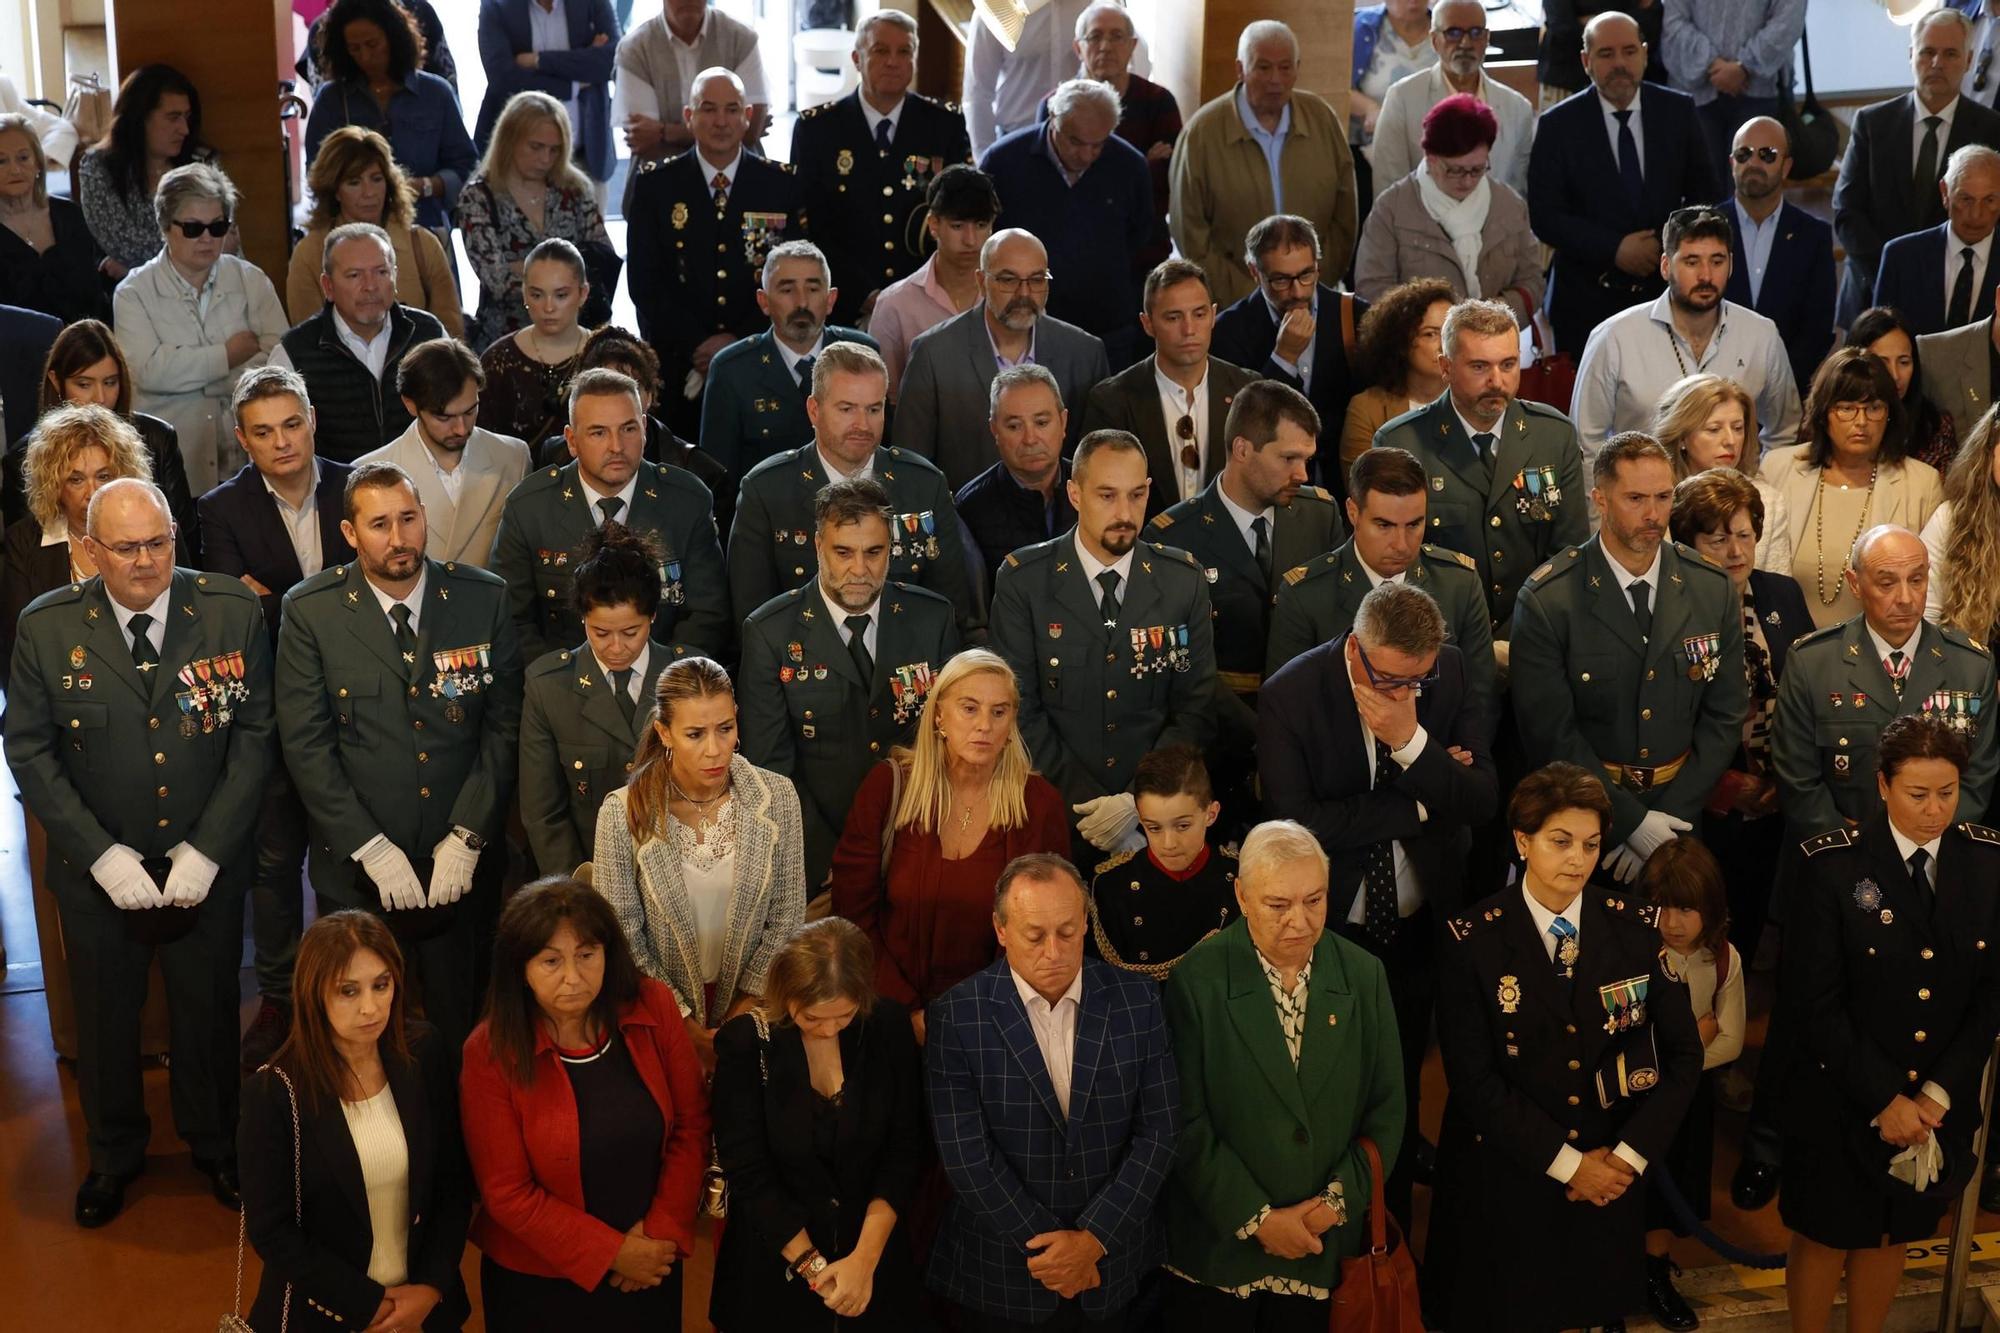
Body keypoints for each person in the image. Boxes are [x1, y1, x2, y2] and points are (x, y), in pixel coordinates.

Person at [5, 477, 271, 1226]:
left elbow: (254, 736)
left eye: (159, 542)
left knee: (209, 1007)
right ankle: (114, 1155)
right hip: (98, 872)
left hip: (205, 862)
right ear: (91, 551)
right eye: (126, 548)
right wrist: (99, 854)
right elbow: (28, 747)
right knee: (105, 1016)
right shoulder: (47, 626)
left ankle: (216, 1144)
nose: (147, 561)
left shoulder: (228, 609)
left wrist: (209, 848)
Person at [1425, 763, 1701, 1332]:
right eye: (1560, 841)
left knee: (1590, 1312)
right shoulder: (1472, 940)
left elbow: (1682, 1057)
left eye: (1592, 844)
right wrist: (1570, 1165)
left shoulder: (1634, 928)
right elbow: (1474, 1082)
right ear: (1523, 841)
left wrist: (1625, 1159)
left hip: (1607, 1176)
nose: (1578, 858)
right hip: (1508, 1175)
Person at [1259, 581, 1494, 1229]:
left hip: (1423, 916)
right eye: (1391, 679)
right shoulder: (1292, 694)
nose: (1407, 695)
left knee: (1408, 1057)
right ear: (1356, 648)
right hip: (1331, 924)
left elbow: (1479, 798)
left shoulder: (1449, 671)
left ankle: (1393, 1199)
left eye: (1419, 680)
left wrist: (1412, 742)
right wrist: (1422, 800)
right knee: (1332, 1072)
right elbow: (1297, 825)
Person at [276, 461, 523, 1051]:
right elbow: (307, 745)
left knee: (463, 1027)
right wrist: (370, 846)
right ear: (350, 533)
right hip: (358, 870)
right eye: (380, 523)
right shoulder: (311, 611)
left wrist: (467, 835)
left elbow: (504, 727)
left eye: (408, 519)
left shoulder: (480, 598)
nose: (398, 537)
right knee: (364, 1037)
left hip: (459, 865)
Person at [1780, 715, 2000, 1333]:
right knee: (1826, 1234)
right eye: (1918, 794)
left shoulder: (1985, 863)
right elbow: (1813, 1003)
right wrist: (1885, 1098)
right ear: (1882, 786)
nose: (1935, 811)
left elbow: (1989, 997)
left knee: (1893, 1232)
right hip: (1843, 1097)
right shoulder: (1834, 867)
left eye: (1948, 792)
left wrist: (1933, 1094)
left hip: (1933, 1098)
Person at [1160, 818, 1406, 1330]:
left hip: (1324, 1243)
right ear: (1243, 896)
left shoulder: (1364, 975)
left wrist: (1330, 1207)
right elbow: (1183, 1119)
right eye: (1278, 905)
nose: (1300, 921)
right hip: (1219, 1247)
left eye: (1314, 900)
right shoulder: (1197, 979)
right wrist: (1258, 1219)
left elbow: (1388, 1110)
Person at [926, 852, 1181, 1328]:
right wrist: (1054, 1252)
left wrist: (1093, 1240)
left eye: (1067, 932)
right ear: (1001, 930)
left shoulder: (1138, 1000)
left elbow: (1159, 1132)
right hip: (1001, 1275)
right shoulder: (957, 1016)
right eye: (1034, 935)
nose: (1054, 952)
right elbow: (966, 1156)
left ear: (1085, 922)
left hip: (1116, 1268)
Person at [460, 877, 709, 1331]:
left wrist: (658, 1234)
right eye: (551, 961)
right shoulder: (490, 1050)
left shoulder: (653, 1004)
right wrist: (614, 1253)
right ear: (520, 968)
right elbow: (506, 1193)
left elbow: (691, 1124)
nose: (573, 977)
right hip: (539, 1279)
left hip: (650, 1259)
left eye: (587, 956)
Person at [201, 367, 359, 1067]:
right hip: (266, 710)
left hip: (356, 705)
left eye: (291, 424)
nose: (282, 441)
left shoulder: (359, 483)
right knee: (272, 862)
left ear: (313, 419)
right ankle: (278, 998)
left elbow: (374, 590)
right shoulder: (220, 509)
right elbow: (238, 614)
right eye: (263, 431)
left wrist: (278, 598)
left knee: (348, 854)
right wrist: (326, 599)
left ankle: (349, 986)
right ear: (243, 439)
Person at [1510, 433, 1749, 882]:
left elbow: (1725, 713)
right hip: (1583, 824)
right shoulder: (1550, 599)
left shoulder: (1709, 587)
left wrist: (1667, 823)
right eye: (1635, 498)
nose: (1654, 514)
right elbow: (1552, 734)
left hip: (1682, 819)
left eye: (1663, 497)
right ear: (1600, 498)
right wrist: (1631, 824)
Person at [238, 911, 472, 1332]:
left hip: (422, 1309)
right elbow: (272, 1231)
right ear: (314, 995)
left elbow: (452, 1182)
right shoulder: (273, 1092)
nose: (371, 1007)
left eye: (381, 985)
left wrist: (431, 1287)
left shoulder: (423, 1052)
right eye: (348, 991)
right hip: (326, 1313)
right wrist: (367, 1304)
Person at [989, 428, 1220, 852]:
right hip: (1055, 817)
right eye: (1107, 495)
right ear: (1074, 494)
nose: (1125, 513)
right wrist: (1090, 806)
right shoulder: (1024, 582)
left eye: (1136, 495)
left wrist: (1137, 800)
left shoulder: (1182, 582)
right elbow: (1020, 711)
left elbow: (1196, 708)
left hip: (1157, 821)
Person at [830, 647, 1072, 1031]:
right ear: (939, 714)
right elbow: (853, 917)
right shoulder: (888, 788)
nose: (985, 726)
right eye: (969, 708)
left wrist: (979, 1012)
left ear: (1012, 722)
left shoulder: (1039, 805)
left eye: (999, 711)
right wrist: (907, 1012)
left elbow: (1050, 931)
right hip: (889, 1016)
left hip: (998, 1021)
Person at [709, 917, 928, 1331]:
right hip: (772, 1272)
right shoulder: (745, 1043)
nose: (828, 1030)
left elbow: (903, 1152)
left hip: (873, 1261)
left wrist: (863, 1261)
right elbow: (750, 1175)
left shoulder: (888, 1028)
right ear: (785, 995)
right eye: (812, 1018)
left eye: (842, 1016)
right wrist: (815, 1270)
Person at [742, 478, 959, 886]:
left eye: (874, 552)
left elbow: (949, 745)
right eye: (844, 552)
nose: (860, 570)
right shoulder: (770, 633)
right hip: (820, 860)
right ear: (818, 547)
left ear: (890, 549)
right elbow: (771, 770)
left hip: (921, 843)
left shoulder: (932, 620)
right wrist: (834, 860)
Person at [592, 655, 807, 1056]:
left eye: (725, 729)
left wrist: (741, 1015)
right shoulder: (622, 812)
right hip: (656, 1018)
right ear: (665, 732)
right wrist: (682, 1021)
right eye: (695, 734)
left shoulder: (776, 797)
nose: (714, 750)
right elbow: (623, 935)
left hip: (756, 1011)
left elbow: (786, 919)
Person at [1150, 379, 1343, 815]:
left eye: (1307, 460)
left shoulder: (1319, 515)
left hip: (1309, 738)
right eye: (1289, 458)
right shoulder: (1174, 537)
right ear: (1242, 450)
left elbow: (1335, 628)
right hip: (1219, 743)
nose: (1303, 475)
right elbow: (1183, 665)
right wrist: (1266, 734)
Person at [1371, 298, 1588, 639]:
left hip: (1535, 635)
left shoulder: (1553, 435)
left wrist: (1520, 635)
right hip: (1441, 639)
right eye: (1479, 367)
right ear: (1445, 367)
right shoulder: (1402, 442)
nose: (1496, 381)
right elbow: (1397, 560)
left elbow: (1569, 554)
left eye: (1508, 364)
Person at [1667, 466, 1811, 977]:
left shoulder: (1782, 594)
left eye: (1746, 535)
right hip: (1697, 804)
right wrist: (1725, 785)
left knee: (1749, 920)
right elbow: (1665, 716)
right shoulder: (1671, 605)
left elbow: (1806, 693)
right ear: (1685, 542)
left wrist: (1782, 779)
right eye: (1718, 539)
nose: (1736, 552)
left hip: (1776, 798)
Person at [730, 341, 974, 636]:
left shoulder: (923, 484)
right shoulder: (767, 490)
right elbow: (751, 620)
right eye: (847, 409)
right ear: (814, 410)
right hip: (803, 668)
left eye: (874, 409)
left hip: (905, 663)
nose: (862, 424)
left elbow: (952, 610)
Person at [1771, 523, 1998, 838]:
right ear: (1855, 583)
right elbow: (1797, 779)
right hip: (1838, 856)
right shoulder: (1812, 663)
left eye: (1916, 580)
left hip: (1937, 856)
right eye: (1887, 583)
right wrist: (1857, 849)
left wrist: (1923, 842)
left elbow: (1978, 778)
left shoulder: (1972, 666)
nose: (1905, 598)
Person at [490, 366, 727, 663]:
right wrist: (559, 687)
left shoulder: (687, 500)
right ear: (572, 441)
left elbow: (707, 615)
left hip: (666, 689)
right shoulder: (529, 508)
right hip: (562, 693)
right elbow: (513, 621)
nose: (616, 446)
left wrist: (661, 683)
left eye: (628, 429)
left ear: (643, 429)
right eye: (598, 432)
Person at [1528, 13, 1720, 357]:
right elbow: (1545, 216)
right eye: (1606, 54)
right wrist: (1615, 248)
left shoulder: (1678, 111)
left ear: (1645, 55)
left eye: (1629, 51)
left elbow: (1706, 198)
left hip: (1664, 294)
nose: (1620, 63)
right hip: (1584, 301)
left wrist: (1662, 245)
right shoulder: (1558, 125)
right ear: (1586, 61)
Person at [627, 68, 805, 437]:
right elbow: (645, 283)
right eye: (708, 109)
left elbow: (794, 278)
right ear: (689, 117)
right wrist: (698, 344)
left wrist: (740, 339)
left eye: (731, 109)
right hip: (680, 363)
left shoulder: (781, 185)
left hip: (762, 356)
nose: (721, 121)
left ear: (748, 117)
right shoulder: (655, 184)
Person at [1573, 206, 1801, 468]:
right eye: (1691, 262)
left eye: (1717, 261)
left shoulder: (1761, 335)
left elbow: (1785, 433)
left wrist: (1760, 493)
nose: (1705, 275)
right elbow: (1585, 442)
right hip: (1641, 503)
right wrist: (1600, 509)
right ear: (1665, 266)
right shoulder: (1614, 337)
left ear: (1730, 265)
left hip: (1734, 502)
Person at [519, 522, 685, 879]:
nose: (616, 647)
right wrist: (579, 891)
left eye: (630, 632)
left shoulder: (686, 678)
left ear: (653, 616)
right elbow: (543, 813)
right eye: (600, 632)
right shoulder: (549, 687)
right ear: (582, 619)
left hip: (679, 876)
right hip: (587, 877)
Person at [114, 162, 288, 496]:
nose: (207, 238)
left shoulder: (252, 280)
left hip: (249, 462)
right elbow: (150, 372)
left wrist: (198, 378)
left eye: (218, 227)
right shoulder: (133, 293)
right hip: (176, 467)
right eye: (194, 228)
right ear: (165, 226)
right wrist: (228, 355)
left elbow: (279, 365)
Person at [1265, 445, 1496, 697]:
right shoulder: (1305, 596)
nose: (1401, 544)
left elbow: (1480, 698)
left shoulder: (1459, 586)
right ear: (1353, 513)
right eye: (1384, 525)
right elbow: (1288, 705)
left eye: (1414, 524)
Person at [792, 10, 973, 328]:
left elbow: (960, 216)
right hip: (844, 305)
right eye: (880, 50)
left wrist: (913, 294)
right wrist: (863, 293)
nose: (893, 61)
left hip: (928, 302)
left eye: (904, 51)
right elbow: (809, 226)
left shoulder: (943, 124)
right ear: (857, 58)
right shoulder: (818, 129)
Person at [892, 227, 1110, 488]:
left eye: (1037, 280)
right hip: (964, 523)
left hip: (1063, 521)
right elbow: (910, 467)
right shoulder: (933, 354)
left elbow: (1100, 462)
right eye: (1008, 280)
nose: (1024, 294)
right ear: (981, 281)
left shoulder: (1085, 353)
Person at [1171, 21, 1357, 309]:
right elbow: (1191, 233)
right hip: (1235, 305)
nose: (1275, 80)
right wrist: (1249, 296)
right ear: (1240, 69)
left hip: (1313, 299)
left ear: (1297, 68)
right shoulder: (1201, 135)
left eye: (1285, 68)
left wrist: (1310, 283)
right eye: (1263, 67)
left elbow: (1345, 216)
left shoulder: (1322, 119)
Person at [1636, 839, 1745, 1332]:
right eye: (1661, 909)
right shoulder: (1630, 951)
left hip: (1685, 1100)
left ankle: (1655, 1271)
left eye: (1686, 909)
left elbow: (1733, 1040)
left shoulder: (1722, 959)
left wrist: (1674, 1063)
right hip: (1632, 1098)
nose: (1672, 923)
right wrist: (1693, 1042)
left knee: (1671, 1186)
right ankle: (1609, 1283)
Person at [1836, 8, 2000, 328]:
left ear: (1968, 60)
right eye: (1928, 52)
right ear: (1912, 55)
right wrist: (1893, 273)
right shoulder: (1872, 123)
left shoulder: (1991, 130)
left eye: (1950, 53)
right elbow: (1847, 212)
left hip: (1959, 299)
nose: (1937, 63)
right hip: (1872, 296)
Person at [1761, 349, 1945, 628]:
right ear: (1824, 413)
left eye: (1874, 408)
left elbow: (1928, 590)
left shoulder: (1921, 483)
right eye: (1847, 408)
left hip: (1879, 651)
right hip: (1787, 649)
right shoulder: (1778, 469)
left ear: (1889, 414)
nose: (1862, 422)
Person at [983, 78, 1154, 369]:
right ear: (1053, 119)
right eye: (1075, 141)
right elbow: (986, 242)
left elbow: (1142, 241)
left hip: (1108, 332)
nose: (1086, 155)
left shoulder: (1129, 165)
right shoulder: (1003, 162)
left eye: (1098, 144)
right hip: (1023, 328)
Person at [1079, 257, 1261, 516]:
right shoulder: (1112, 401)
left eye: (1199, 314)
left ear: (1212, 315)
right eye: (1173, 318)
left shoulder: (1248, 390)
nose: (1189, 329)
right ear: (1148, 324)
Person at [2, 318, 198, 550]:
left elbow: (186, 537)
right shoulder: (23, 457)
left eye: (110, 382)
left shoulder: (157, 438)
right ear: (56, 381)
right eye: (84, 384)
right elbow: (25, 551)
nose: (100, 398)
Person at [1355, 94, 1543, 332]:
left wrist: (1497, 312)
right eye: (1455, 170)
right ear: (1430, 158)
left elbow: (1533, 280)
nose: (1466, 181)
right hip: (1418, 352)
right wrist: (1435, 326)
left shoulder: (1509, 206)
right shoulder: (1392, 209)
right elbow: (1372, 290)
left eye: (1477, 169)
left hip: (1492, 339)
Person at [699, 240, 879, 483]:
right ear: (764, 301)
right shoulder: (732, 370)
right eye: (787, 290)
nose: (802, 303)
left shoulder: (863, 353)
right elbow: (718, 481)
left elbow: (883, 457)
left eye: (813, 289)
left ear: (830, 299)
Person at [0, 406, 160, 679]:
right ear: (54, 486)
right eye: (76, 479)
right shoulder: (23, 543)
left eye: (104, 476)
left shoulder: (157, 528)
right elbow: (18, 648)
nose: (93, 492)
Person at [271, 223, 449, 464]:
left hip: (421, 487)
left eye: (381, 272)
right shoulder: (294, 352)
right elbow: (277, 444)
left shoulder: (428, 333)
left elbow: (456, 412)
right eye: (354, 275)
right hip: (336, 494)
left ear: (394, 277)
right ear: (328, 287)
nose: (370, 286)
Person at [1211, 215, 1368, 484]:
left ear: (1317, 266)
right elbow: (1241, 425)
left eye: (1306, 275)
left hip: (1341, 481)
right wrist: (1284, 357)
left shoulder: (1356, 315)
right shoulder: (1228, 330)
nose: (1296, 291)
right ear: (1254, 271)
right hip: (1268, 484)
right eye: (1281, 280)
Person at [303, 0, 478, 237]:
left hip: (425, 228)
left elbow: (465, 166)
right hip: (353, 234)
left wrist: (424, 187)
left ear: (393, 39)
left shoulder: (436, 93)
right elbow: (316, 173)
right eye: (354, 48)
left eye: (373, 44)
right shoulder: (332, 100)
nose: (365, 56)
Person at [359, 336, 531, 568]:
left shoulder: (513, 457)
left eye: (470, 411)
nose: (461, 428)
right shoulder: (368, 472)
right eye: (444, 417)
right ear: (410, 404)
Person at [459, 91, 611, 351]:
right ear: (509, 140)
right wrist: (565, 281)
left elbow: (604, 259)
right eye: (536, 147)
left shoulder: (575, 188)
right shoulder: (478, 197)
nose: (545, 159)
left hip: (575, 340)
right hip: (505, 339)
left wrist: (523, 267)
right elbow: (498, 281)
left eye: (554, 150)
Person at [542, 325, 732, 529]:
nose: (616, 400)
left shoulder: (700, 471)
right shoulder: (555, 455)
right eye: (603, 387)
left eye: (628, 387)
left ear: (649, 395)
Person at [287, 125, 463, 338]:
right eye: (354, 182)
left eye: (376, 179)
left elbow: (452, 334)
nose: (369, 192)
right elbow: (307, 343)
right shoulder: (309, 254)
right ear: (335, 191)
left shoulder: (423, 245)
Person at [1087, 745, 1238, 979]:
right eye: (1154, 828)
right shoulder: (1111, 889)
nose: (1169, 843)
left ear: (1211, 814)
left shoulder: (1240, 879)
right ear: (1139, 818)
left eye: (1183, 826)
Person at [1054, 2, 1181, 276]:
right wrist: (1140, 164)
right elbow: (1057, 187)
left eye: (1116, 36)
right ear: (1078, 48)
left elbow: (1166, 186)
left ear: (1132, 45)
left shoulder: (1158, 103)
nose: (1106, 46)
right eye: (1095, 36)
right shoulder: (1055, 106)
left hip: (1143, 256)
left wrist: (1098, 175)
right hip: (1070, 254)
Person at [1369, 0, 1536, 198]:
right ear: (1434, 40)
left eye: (1475, 33)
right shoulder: (1402, 98)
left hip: (1493, 226)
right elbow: (1388, 189)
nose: (1465, 43)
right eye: (1453, 33)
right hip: (1419, 225)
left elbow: (1517, 195)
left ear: (1487, 38)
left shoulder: (1517, 109)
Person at [1725, 117, 1837, 396]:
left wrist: (1776, 384)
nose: (1754, 163)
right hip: (1712, 392)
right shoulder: (1704, 229)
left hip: (1786, 393)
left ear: (1786, 166)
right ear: (1732, 163)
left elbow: (1818, 328)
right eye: (1744, 154)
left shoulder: (1813, 236)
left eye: (1767, 155)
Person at [472, 0, 620, 206]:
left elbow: (611, 60)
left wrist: (538, 60)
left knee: (590, 238)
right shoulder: (497, 5)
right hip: (517, 165)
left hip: (585, 157)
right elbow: (503, 79)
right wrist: (576, 82)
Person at [871, 165, 999, 399]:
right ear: (933, 225)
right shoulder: (895, 305)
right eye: (957, 226)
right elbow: (884, 400)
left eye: (981, 226)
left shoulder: (1010, 294)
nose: (970, 240)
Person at [75, 64, 212, 281]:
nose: (184, 129)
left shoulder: (203, 163)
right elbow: (125, 246)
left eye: (187, 117)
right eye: (173, 117)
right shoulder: (98, 168)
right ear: (139, 118)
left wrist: (131, 271)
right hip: (136, 299)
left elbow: (220, 244)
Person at [612, 0, 769, 186]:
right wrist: (730, 129)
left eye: (731, 110)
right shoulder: (635, 48)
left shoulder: (741, 38)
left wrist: (664, 132)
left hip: (740, 184)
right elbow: (646, 144)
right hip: (661, 187)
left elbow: (751, 131)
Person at [955, 365, 1079, 591]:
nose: (1030, 439)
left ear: (1063, 422)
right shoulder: (970, 508)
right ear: (995, 431)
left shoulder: (1093, 488)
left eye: (1041, 423)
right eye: (1014, 426)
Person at [1655, 372, 1793, 573]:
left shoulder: (1768, 501)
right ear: (1682, 437)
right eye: (1714, 429)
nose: (1730, 440)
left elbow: (1775, 587)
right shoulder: (1656, 502)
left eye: (1738, 428)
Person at [962, 0, 1126, 158]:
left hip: (1084, 146)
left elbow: (1123, 70)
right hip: (1016, 144)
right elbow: (978, 93)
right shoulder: (997, 7)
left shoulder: (1100, 6)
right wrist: (985, 158)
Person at [1661, 0, 1807, 176]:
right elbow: (1673, 20)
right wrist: (1710, 62)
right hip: (1696, 93)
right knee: (1701, 187)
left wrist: (1745, 66)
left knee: (1753, 185)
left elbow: (1788, 21)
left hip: (1760, 93)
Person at [476, 236, 595, 447]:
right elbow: (483, 447)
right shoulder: (497, 362)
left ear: (583, 293)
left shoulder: (605, 356)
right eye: (537, 295)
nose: (548, 307)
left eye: (561, 295)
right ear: (524, 294)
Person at [1874, 144, 2000, 336]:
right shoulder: (1901, 257)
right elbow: (1880, 342)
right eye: (1966, 199)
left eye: (1989, 200)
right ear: (1945, 193)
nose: (1976, 215)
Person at [0, 113, 108, 324]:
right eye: (1, 161)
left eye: (23, 157)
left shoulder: (70, 216)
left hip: (84, 343)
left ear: (38, 164)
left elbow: (94, 293)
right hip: (18, 351)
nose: (15, 169)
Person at [1338, 279, 1451, 476]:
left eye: (1450, 332)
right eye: (1430, 334)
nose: (1445, 345)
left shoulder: (1474, 399)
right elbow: (1364, 491)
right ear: (1400, 341)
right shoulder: (1367, 409)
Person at [1854, 306, 1960, 474]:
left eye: (1904, 362)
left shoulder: (1934, 426)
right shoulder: (1833, 418)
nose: (1895, 375)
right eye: (1882, 363)